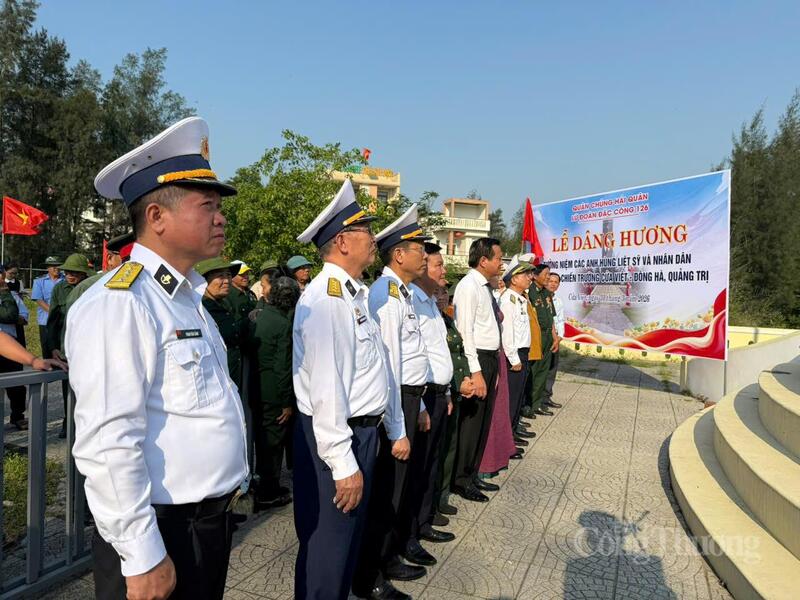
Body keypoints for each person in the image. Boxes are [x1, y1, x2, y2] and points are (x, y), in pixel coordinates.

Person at [67, 117, 248, 600]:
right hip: (162, 530)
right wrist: (142, 553)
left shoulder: (186, 297)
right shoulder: (119, 302)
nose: (220, 217)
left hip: (206, 524)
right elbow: (107, 441)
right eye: (206, 206)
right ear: (157, 216)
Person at [292, 179, 393, 600]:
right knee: (329, 552)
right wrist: (342, 461)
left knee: (344, 548)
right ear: (343, 242)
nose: (374, 241)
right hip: (338, 436)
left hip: (360, 433)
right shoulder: (328, 298)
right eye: (367, 232)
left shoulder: (352, 295)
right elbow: (327, 386)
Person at [353, 204, 430, 600]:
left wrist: (420, 407)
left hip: (409, 399)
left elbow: (411, 359)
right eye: (419, 248)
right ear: (399, 254)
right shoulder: (385, 293)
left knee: (397, 491)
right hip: (393, 404)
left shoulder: (401, 292)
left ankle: (387, 557)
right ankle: (369, 575)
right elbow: (390, 366)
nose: (426, 255)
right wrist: (398, 425)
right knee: (385, 492)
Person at [402, 242, 457, 566]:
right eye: (437, 265)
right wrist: (423, 404)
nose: (442, 271)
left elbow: (438, 354)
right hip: (421, 397)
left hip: (437, 394)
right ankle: (407, 536)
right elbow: (413, 359)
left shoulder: (428, 302)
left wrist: (447, 392)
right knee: (416, 470)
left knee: (431, 464)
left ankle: (422, 524)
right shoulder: (412, 302)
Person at [451, 237, 504, 503]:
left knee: (482, 422)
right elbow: (465, 332)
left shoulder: (484, 287)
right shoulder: (468, 286)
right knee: (471, 424)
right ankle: (460, 480)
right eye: (498, 258)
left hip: (489, 359)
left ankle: (471, 475)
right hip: (477, 360)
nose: (501, 263)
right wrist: (476, 372)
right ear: (483, 261)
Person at [251, 276, 299, 509]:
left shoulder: (262, 316)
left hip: (259, 386)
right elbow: (282, 366)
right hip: (273, 393)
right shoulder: (282, 324)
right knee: (272, 444)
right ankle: (268, 492)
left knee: (265, 441)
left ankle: (268, 485)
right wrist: (286, 402)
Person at [435, 285, 474, 519]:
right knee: (440, 448)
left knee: (450, 445)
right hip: (446, 389)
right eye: (437, 293)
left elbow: (458, 353)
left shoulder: (447, 320)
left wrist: (467, 376)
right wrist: (458, 382)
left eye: (444, 294)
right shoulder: (431, 320)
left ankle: (442, 494)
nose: (441, 297)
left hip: (456, 388)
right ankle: (433, 499)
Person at [47, 253, 94, 438]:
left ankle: (86, 426)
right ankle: (68, 423)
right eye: (67, 272)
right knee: (68, 387)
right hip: (66, 349)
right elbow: (53, 320)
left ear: (84, 274)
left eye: (74, 272)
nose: (70, 275)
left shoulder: (93, 287)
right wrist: (53, 348)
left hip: (89, 348)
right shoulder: (59, 289)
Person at [499, 256, 536, 442]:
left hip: (522, 353)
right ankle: (507, 440)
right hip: (514, 356)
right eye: (525, 274)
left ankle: (511, 435)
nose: (530, 277)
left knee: (518, 397)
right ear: (514, 278)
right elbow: (507, 334)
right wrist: (514, 359)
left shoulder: (519, 300)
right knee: (511, 400)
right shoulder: (508, 301)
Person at [196, 257, 247, 391]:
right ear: (204, 281)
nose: (227, 281)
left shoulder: (224, 303)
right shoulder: (201, 310)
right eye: (220, 276)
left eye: (229, 275)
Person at [66, 232, 135, 312]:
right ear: (110, 259)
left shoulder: (148, 285)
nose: (135, 264)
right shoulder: (86, 288)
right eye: (127, 259)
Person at [527, 263, 560, 417]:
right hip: (536, 335)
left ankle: (537, 404)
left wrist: (555, 338)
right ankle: (527, 405)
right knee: (534, 371)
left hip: (548, 336)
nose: (548, 277)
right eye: (546, 274)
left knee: (543, 371)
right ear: (535, 275)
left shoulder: (546, 293)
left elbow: (551, 317)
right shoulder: (530, 292)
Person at [0, 267, 30, 430]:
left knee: (16, 383)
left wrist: (9, 316)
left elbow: (23, 319)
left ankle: (17, 416)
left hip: (10, 346)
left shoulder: (12, 296)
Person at [31, 256, 63, 361]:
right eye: (53, 266)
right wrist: (54, 313)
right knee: (47, 351)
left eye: (58, 266)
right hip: (46, 321)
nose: (56, 269)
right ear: (47, 268)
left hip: (62, 321)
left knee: (62, 350)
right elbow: (39, 300)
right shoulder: (39, 282)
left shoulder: (65, 280)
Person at [544, 272, 565, 408]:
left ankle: (546, 397)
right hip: (546, 339)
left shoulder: (558, 301)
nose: (552, 284)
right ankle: (536, 400)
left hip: (556, 340)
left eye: (555, 282)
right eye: (550, 281)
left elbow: (561, 321)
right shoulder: (541, 299)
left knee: (552, 370)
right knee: (542, 370)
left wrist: (559, 338)